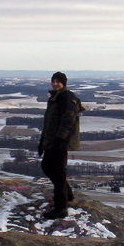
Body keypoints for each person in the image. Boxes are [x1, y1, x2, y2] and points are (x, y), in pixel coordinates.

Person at [38, 71, 83, 219]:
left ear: (64, 83)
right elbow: (49, 123)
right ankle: (67, 194)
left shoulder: (66, 98)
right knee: (48, 167)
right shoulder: (55, 98)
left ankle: (61, 207)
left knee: (57, 173)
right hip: (52, 141)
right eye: (53, 80)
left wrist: (60, 140)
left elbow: (68, 121)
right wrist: (42, 141)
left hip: (60, 142)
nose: (55, 83)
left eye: (58, 81)